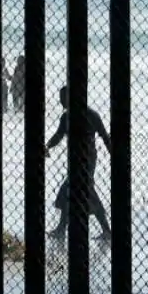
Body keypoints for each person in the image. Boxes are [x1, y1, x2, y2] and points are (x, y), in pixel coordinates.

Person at [44, 85, 112, 242]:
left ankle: (106, 230)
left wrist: (112, 155)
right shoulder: (67, 117)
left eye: (63, 98)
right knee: (73, 190)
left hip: (87, 159)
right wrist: (47, 146)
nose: (61, 102)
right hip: (76, 159)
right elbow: (59, 135)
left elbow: (104, 136)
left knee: (84, 191)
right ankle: (63, 229)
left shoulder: (91, 115)